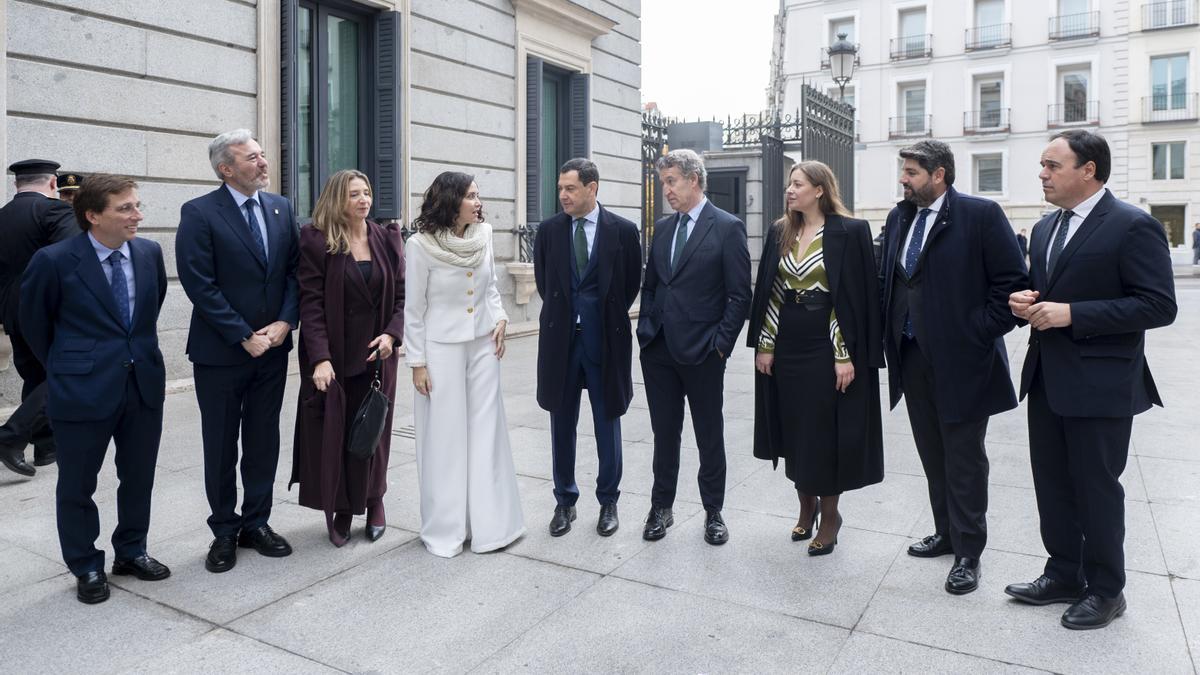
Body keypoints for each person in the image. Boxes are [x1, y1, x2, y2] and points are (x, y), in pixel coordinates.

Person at [1007, 130, 1176, 630]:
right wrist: (1025, 302)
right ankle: (1063, 574)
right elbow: (1052, 290)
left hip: (1102, 385)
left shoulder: (1133, 225)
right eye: (1042, 165)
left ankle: (1106, 590)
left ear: (1088, 170)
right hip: (1047, 379)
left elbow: (1158, 305)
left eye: (1052, 165)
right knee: (1052, 484)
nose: (1042, 174)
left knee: (1096, 489)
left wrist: (1073, 314)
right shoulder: (1044, 228)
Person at [879, 140, 1027, 594]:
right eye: (904, 172)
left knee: (964, 458)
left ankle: (968, 553)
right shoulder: (899, 217)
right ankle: (945, 533)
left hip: (963, 361)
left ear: (939, 174)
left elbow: (1011, 285)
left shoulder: (981, 215)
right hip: (911, 356)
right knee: (932, 452)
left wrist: (975, 332)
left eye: (911, 173)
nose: (903, 180)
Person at [20, 174, 169, 604]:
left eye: (137, 205)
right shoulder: (54, 260)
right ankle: (85, 563)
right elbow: (34, 323)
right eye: (125, 208)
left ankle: (132, 551)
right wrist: (69, 366)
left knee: (138, 477)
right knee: (77, 484)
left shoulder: (149, 253)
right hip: (81, 389)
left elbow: (148, 311)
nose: (137, 215)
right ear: (92, 216)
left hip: (142, 383)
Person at [176, 129, 300, 573]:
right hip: (222, 353)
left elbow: (294, 272)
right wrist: (243, 335)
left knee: (264, 440)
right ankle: (224, 530)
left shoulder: (281, 208)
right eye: (252, 158)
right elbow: (199, 284)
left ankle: (257, 523)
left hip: (273, 350)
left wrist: (285, 322)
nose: (264, 162)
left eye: (262, 155)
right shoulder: (199, 213)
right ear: (226, 169)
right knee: (221, 444)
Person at [746, 161, 883, 555]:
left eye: (798, 184)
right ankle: (806, 508)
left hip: (827, 344)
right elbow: (771, 292)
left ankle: (830, 515)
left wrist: (843, 356)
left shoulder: (851, 231)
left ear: (820, 189)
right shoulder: (781, 230)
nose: (790, 190)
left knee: (824, 433)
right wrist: (766, 345)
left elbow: (850, 297)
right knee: (793, 427)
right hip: (787, 342)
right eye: (789, 184)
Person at [404, 171, 524, 557]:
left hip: (484, 345)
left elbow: (490, 290)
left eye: (478, 195)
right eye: (471, 196)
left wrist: (500, 317)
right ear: (450, 201)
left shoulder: (483, 235)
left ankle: (492, 527)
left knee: (488, 433)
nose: (478, 202)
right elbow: (414, 309)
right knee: (446, 437)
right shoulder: (419, 246)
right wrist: (417, 362)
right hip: (441, 350)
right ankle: (448, 529)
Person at [637, 149, 751, 546]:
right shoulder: (663, 228)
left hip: (703, 352)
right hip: (659, 350)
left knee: (709, 433)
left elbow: (740, 295)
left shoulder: (727, 227)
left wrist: (720, 346)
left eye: (671, 182)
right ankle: (661, 507)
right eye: (663, 183)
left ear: (693, 180)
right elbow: (651, 285)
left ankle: (713, 511)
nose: (666, 190)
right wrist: (646, 330)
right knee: (664, 433)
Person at [290, 170, 405, 547]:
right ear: (337, 198)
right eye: (354, 194)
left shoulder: (387, 237)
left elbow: (402, 295)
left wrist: (392, 334)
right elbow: (310, 304)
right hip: (336, 357)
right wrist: (320, 358)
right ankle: (342, 507)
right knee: (338, 435)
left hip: (379, 356)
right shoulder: (317, 240)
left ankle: (374, 501)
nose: (363, 199)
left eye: (366, 192)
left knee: (374, 433)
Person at [534, 158, 641, 538]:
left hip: (605, 342)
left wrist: (599, 315)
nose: (563, 195)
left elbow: (629, 286)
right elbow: (546, 284)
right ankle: (565, 501)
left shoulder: (623, 231)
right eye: (560, 189)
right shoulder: (548, 231)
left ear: (592, 188)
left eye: (570, 188)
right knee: (561, 424)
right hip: (560, 343)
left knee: (607, 422)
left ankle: (608, 501)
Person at [0, 159, 77, 476]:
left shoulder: (2, 215)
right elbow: (69, 259)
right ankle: (10, 437)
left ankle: (46, 446)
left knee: (35, 376)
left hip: (11, 310)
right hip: (46, 308)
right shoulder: (55, 211)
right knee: (66, 372)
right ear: (53, 183)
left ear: (16, 184)